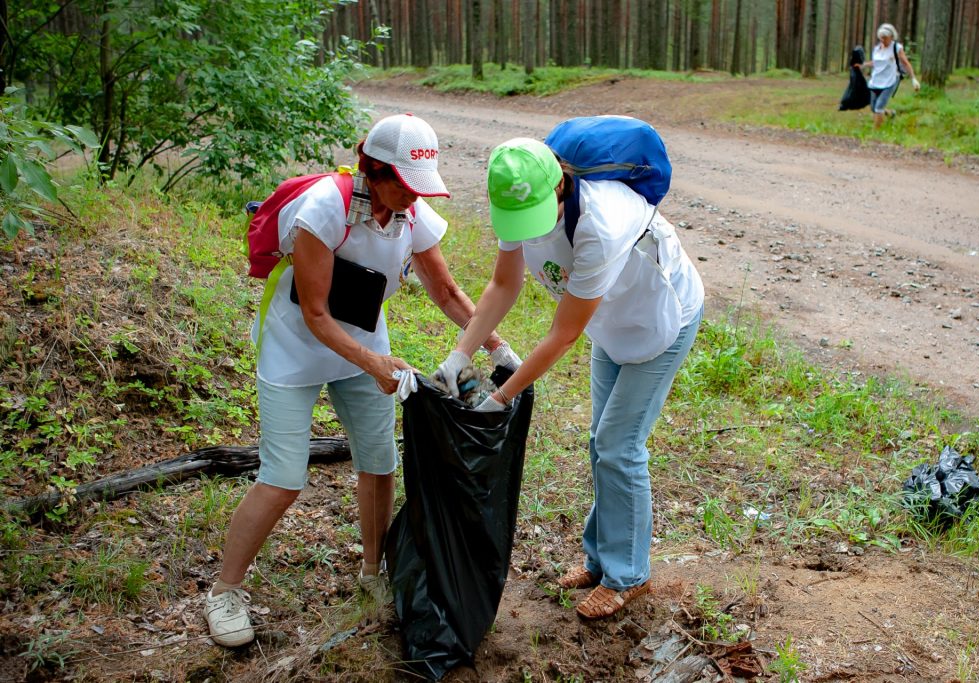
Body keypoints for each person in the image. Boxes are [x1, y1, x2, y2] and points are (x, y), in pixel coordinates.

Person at [203, 114, 518, 647]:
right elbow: (317, 314)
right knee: (283, 477)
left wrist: (496, 346)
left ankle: (373, 574)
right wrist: (373, 364)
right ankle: (224, 591)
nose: (413, 198)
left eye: (420, 188)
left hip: (365, 338)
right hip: (294, 347)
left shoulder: (409, 213)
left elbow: (445, 292)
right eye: (404, 185)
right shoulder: (324, 208)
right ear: (374, 170)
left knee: (378, 461)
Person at [434, 136, 704, 620]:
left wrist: (501, 397)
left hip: (662, 317)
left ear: (560, 183)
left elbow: (562, 336)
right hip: (611, 321)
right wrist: (460, 354)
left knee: (619, 446)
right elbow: (503, 283)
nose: (530, 229)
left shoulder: (600, 224)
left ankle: (629, 575)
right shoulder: (517, 200)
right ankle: (601, 561)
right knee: (601, 443)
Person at [856, 23, 921, 129]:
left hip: (890, 81)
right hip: (875, 81)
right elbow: (876, 63)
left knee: (879, 107)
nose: (883, 40)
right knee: (873, 107)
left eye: (885, 38)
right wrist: (863, 65)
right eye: (881, 37)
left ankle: (876, 132)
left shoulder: (896, 48)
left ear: (891, 37)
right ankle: (891, 114)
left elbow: (905, 63)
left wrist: (913, 79)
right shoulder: (877, 49)